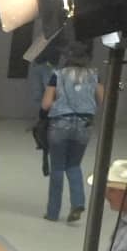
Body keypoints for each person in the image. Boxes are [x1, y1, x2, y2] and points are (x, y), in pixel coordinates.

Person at [41, 48, 103, 223]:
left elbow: (46, 104)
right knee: (74, 165)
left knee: (58, 168)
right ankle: (78, 203)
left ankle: (53, 212)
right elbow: (103, 99)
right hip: (84, 124)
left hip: (60, 123)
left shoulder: (58, 75)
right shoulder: (94, 76)